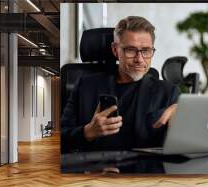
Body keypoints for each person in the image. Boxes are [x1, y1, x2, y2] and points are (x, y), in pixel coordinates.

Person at [61, 16, 180, 152]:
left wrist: (186, 120)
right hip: (95, 168)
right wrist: (87, 132)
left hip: (143, 170)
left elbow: (183, 148)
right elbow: (61, 138)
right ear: (115, 49)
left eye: (146, 51)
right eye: (130, 50)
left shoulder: (168, 92)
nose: (139, 60)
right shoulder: (85, 86)